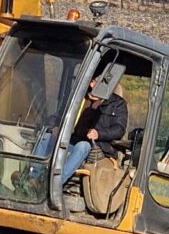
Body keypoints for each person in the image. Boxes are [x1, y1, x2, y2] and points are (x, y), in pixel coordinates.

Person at [52, 70, 128, 207]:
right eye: (91, 82)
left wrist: (99, 134)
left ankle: (54, 185)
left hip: (99, 149)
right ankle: (34, 178)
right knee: (47, 139)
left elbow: (119, 129)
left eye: (94, 82)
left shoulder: (117, 104)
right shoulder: (82, 100)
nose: (91, 85)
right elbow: (69, 121)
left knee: (83, 146)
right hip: (74, 140)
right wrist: (56, 127)